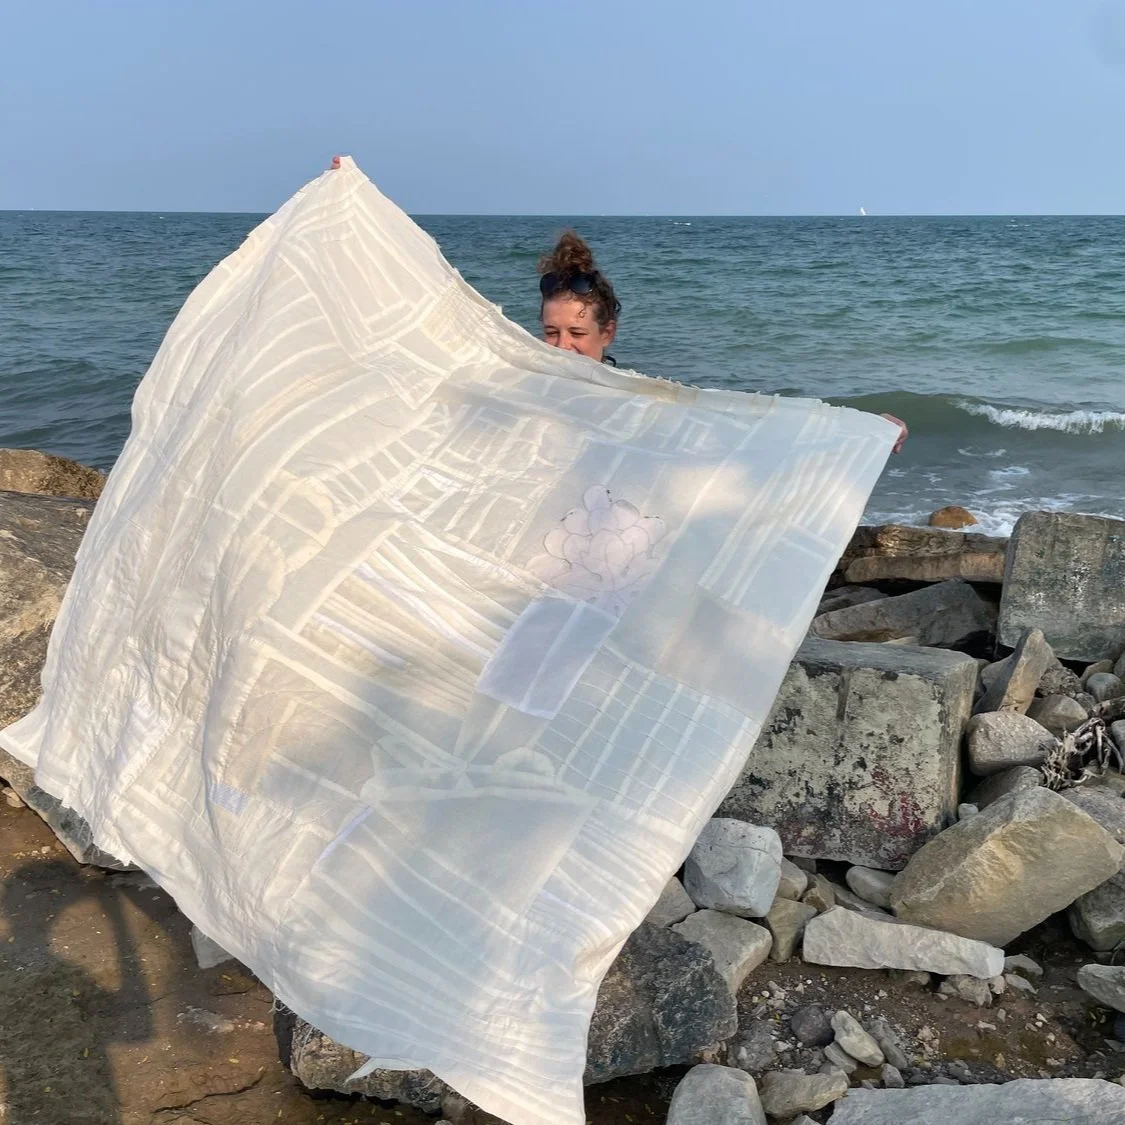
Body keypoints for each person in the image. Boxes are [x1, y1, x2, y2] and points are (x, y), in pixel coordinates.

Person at [536, 230, 908, 452]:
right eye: (551, 332)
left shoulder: (639, 401)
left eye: (577, 333)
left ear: (608, 333)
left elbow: (744, 427)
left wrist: (865, 430)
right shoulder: (521, 389)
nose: (561, 345)